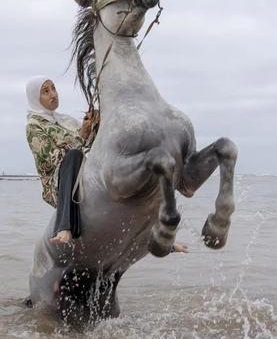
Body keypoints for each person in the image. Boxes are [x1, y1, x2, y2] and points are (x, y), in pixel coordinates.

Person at [24, 76, 188, 252]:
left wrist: (94, 125)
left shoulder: (65, 120)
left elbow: (89, 145)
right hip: (59, 181)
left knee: (122, 173)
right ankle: (64, 227)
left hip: (82, 168)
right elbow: (52, 158)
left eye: (53, 88)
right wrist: (81, 135)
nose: (53, 94)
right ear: (35, 98)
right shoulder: (34, 126)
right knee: (73, 155)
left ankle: (160, 238)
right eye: (45, 91)